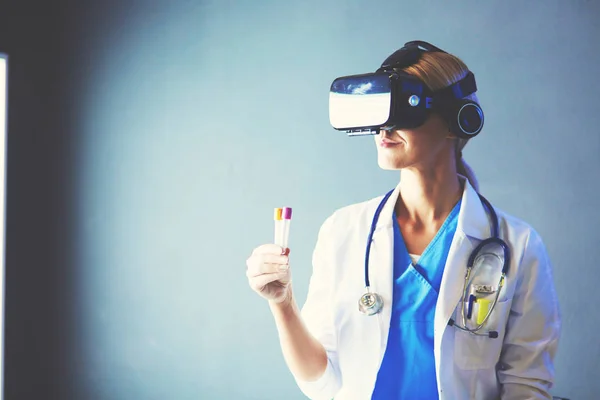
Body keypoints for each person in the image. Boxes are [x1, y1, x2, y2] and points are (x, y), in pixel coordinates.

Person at [245, 41, 561, 400]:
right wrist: (282, 302)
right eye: (380, 110)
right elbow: (321, 382)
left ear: (458, 121)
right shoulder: (343, 230)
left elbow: (527, 385)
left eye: (404, 108)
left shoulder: (519, 245)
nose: (384, 127)